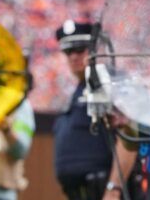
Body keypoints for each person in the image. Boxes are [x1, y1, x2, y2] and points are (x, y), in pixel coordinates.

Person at [53, 20, 138, 200]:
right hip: (81, 191)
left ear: (94, 50)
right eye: (68, 51)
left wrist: (114, 187)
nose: (73, 57)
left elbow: (127, 137)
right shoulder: (78, 90)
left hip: (105, 189)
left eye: (80, 49)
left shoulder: (110, 82)